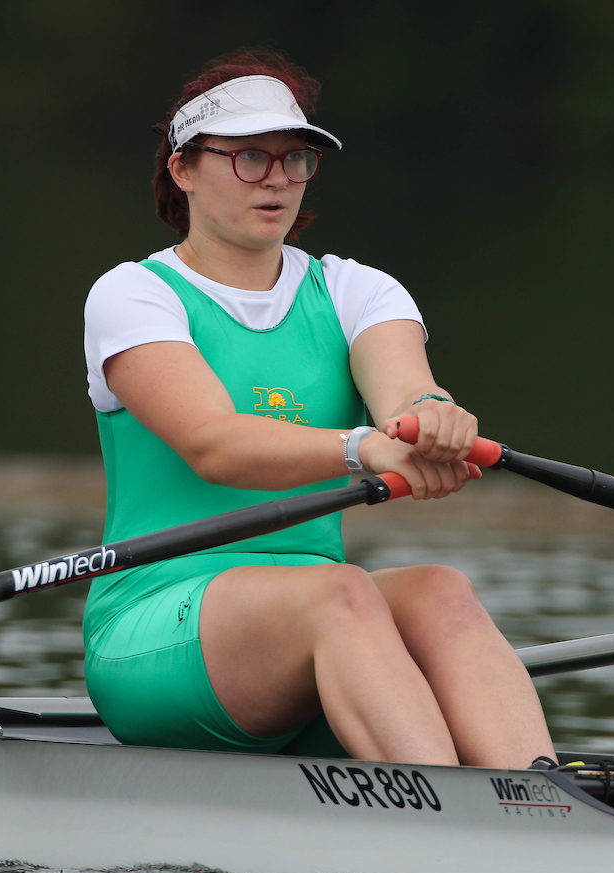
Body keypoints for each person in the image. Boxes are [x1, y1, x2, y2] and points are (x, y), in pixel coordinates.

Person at [81, 49, 556, 769]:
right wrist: (365, 447)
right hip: (157, 631)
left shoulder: (356, 290)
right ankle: (451, 816)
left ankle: (539, 799)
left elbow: (407, 391)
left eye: (294, 158)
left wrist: (433, 420)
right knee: (340, 591)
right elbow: (214, 444)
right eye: (248, 158)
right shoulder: (134, 294)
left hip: (322, 624)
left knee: (439, 589)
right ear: (183, 170)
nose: (277, 178)